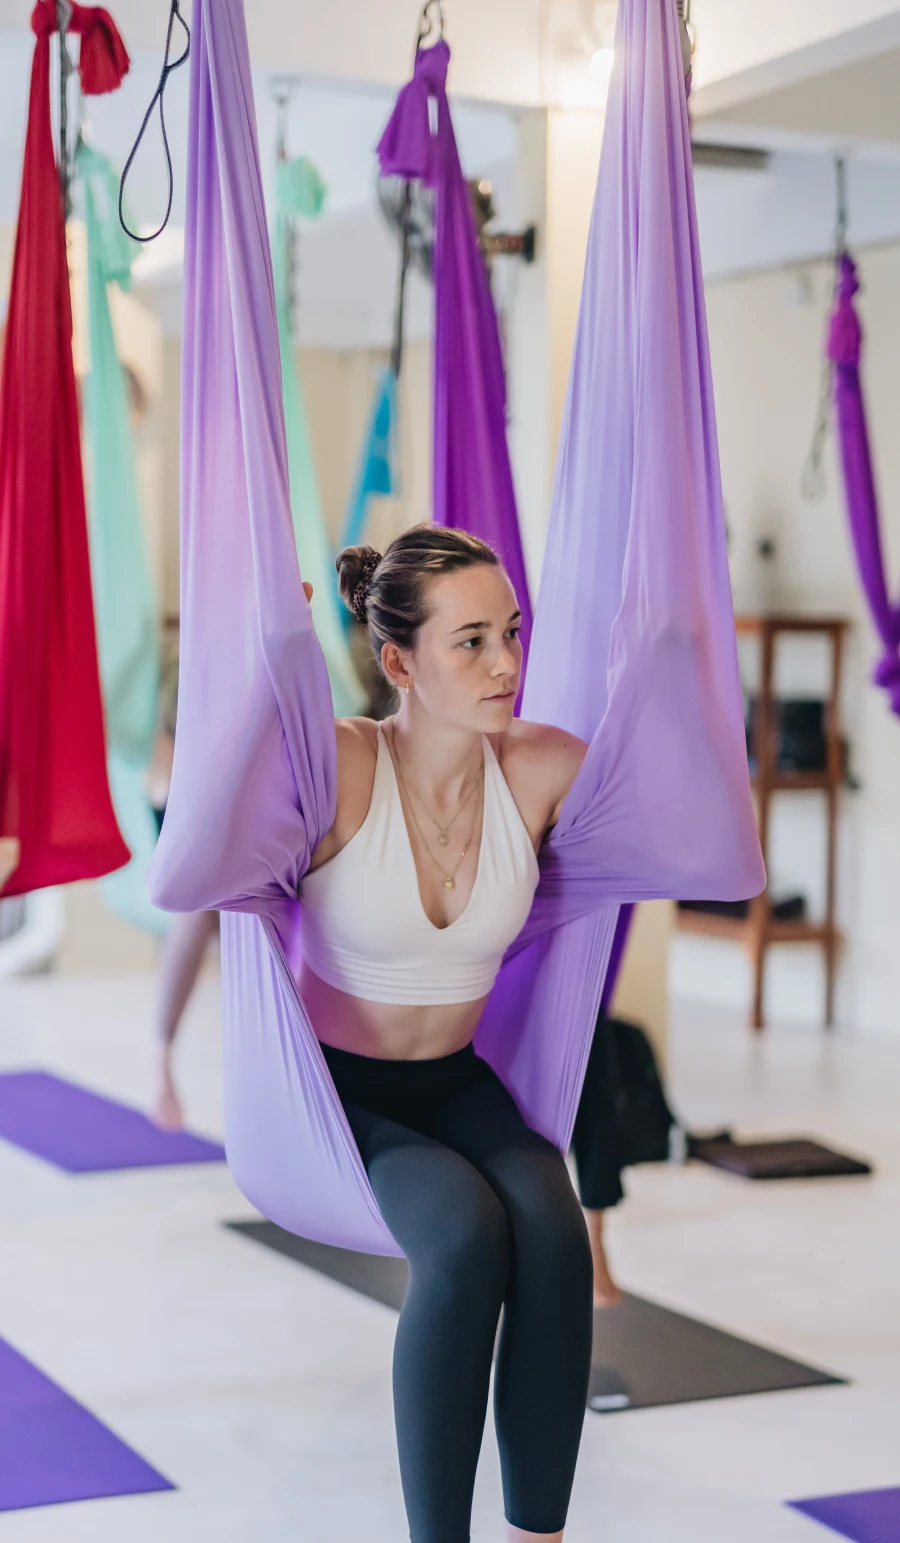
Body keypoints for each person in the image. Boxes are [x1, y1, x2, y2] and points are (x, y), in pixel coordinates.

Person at [299, 525, 596, 1543]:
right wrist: (261, 662)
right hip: (343, 1098)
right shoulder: (339, 761)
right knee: (466, 1236)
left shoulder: (543, 764)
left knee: (556, 1235)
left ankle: (537, 1535)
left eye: (512, 632)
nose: (507, 662)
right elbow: (194, 860)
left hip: (457, 1082)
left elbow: (705, 844)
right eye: (471, 641)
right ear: (399, 662)